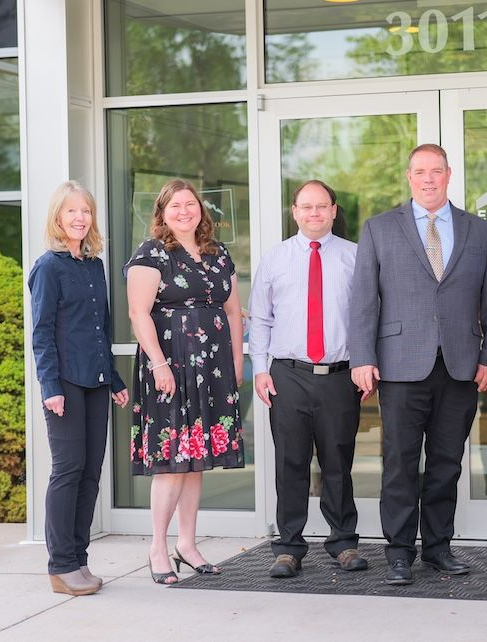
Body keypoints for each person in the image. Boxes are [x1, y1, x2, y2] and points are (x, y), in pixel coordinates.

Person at [350, 143, 487, 585]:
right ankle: (398, 552)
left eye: (436, 170)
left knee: (447, 462)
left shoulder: (479, 231)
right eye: (420, 171)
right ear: (409, 177)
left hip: (460, 364)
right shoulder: (379, 228)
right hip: (399, 364)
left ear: (449, 174)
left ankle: (437, 548)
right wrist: (362, 357)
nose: (428, 178)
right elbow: (363, 300)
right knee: (399, 461)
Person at [125, 179, 245, 584]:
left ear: (201, 210)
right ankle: (158, 547)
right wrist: (158, 364)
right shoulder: (152, 253)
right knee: (173, 461)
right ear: (162, 212)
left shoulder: (217, 253)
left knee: (196, 462)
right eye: (175, 205)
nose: (184, 211)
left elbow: (232, 313)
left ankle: (187, 544)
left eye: (190, 204)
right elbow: (139, 314)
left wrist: (236, 364)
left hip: (211, 368)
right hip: (170, 367)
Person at [248, 179, 367, 578]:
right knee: (291, 462)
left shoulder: (356, 257)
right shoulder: (275, 258)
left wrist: (366, 366)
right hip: (288, 375)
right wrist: (260, 370)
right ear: (294, 212)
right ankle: (288, 547)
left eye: (322, 206)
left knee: (338, 460)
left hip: (339, 375)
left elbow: (368, 318)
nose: (314, 213)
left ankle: (343, 543)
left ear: (334, 210)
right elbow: (261, 319)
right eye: (306, 206)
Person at [29, 181, 129, 596]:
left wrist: (114, 378)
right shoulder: (48, 267)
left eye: (85, 211)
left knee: (90, 473)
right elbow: (41, 334)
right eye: (71, 211)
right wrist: (50, 386)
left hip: (96, 382)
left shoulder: (94, 266)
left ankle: (79, 559)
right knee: (67, 471)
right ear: (57, 217)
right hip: (65, 386)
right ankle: (60, 565)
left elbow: (100, 330)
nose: (79, 218)